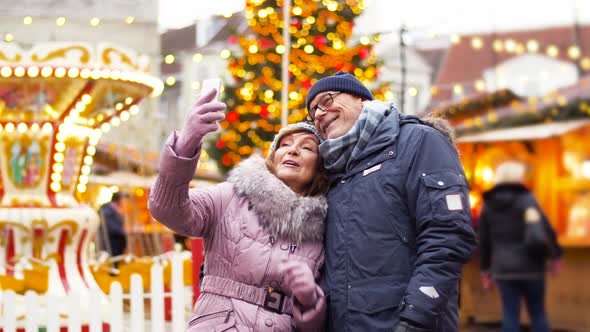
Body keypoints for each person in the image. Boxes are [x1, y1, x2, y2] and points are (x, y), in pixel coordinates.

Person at [298, 71, 477, 331]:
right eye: (312, 112)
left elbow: (448, 235)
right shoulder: (333, 171)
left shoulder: (418, 141)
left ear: (361, 99)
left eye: (326, 100)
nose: (319, 114)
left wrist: (416, 317)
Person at [148, 89, 329, 331]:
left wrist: (309, 299)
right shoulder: (231, 196)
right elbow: (166, 209)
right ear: (273, 158)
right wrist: (186, 143)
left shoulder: (324, 227)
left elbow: (317, 325)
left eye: (307, 147)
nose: (293, 150)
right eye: (284, 144)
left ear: (320, 166)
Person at [478, 161, 562, 332]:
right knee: (538, 314)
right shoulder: (527, 198)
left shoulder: (488, 204)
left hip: (503, 267)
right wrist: (555, 255)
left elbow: (484, 240)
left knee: (509, 315)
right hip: (532, 264)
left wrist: (485, 269)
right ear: (518, 178)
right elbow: (546, 228)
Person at [98, 191, 129, 257]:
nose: (126, 203)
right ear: (118, 200)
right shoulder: (107, 210)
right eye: (124, 200)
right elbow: (111, 227)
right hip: (110, 245)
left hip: (116, 244)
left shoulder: (116, 210)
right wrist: (125, 231)